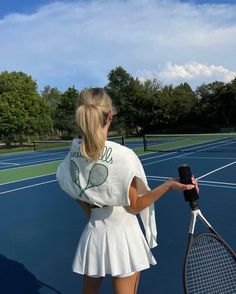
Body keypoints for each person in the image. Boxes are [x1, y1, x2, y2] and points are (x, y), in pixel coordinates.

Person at [56, 88, 198, 294]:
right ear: (110, 115)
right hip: (123, 234)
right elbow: (134, 206)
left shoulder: (71, 157)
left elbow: (72, 190)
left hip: (94, 232)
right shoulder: (123, 156)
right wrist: (168, 185)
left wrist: (97, 214)